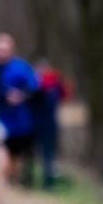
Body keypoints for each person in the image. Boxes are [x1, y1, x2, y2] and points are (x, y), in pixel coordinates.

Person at [0, 32, 39, 204]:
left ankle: (6, 180)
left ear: (11, 51)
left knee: (12, 168)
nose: (0, 53)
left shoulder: (20, 68)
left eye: (4, 50)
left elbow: (34, 88)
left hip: (19, 126)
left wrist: (21, 96)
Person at [32, 59, 71, 189]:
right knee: (46, 154)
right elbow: (65, 95)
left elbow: (64, 95)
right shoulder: (54, 83)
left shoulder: (35, 83)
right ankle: (45, 182)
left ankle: (41, 181)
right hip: (45, 124)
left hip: (39, 124)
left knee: (42, 154)